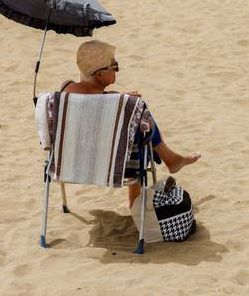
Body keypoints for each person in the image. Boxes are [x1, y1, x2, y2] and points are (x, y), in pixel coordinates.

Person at [61, 40, 201, 207]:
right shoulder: (116, 104)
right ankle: (141, 196)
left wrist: (120, 98)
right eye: (114, 66)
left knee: (136, 119)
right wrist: (127, 103)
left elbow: (91, 99)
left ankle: (171, 159)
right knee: (140, 136)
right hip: (114, 165)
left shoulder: (65, 92)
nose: (117, 70)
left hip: (70, 164)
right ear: (99, 74)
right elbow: (144, 129)